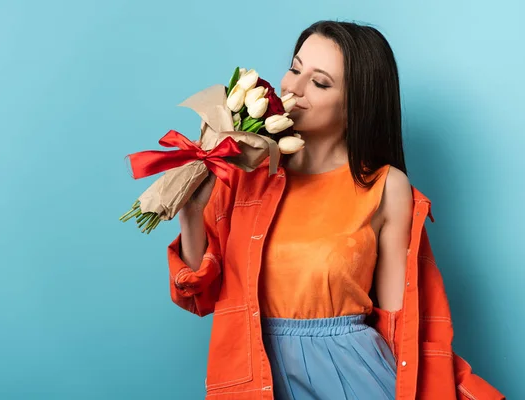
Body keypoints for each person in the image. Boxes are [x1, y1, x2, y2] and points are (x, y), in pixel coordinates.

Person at [168, 20, 505, 400]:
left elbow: (401, 320)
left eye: (320, 82)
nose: (293, 87)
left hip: (352, 378)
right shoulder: (245, 172)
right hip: (252, 378)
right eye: (295, 68)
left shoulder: (384, 186)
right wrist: (192, 211)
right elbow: (198, 295)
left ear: (355, 105)